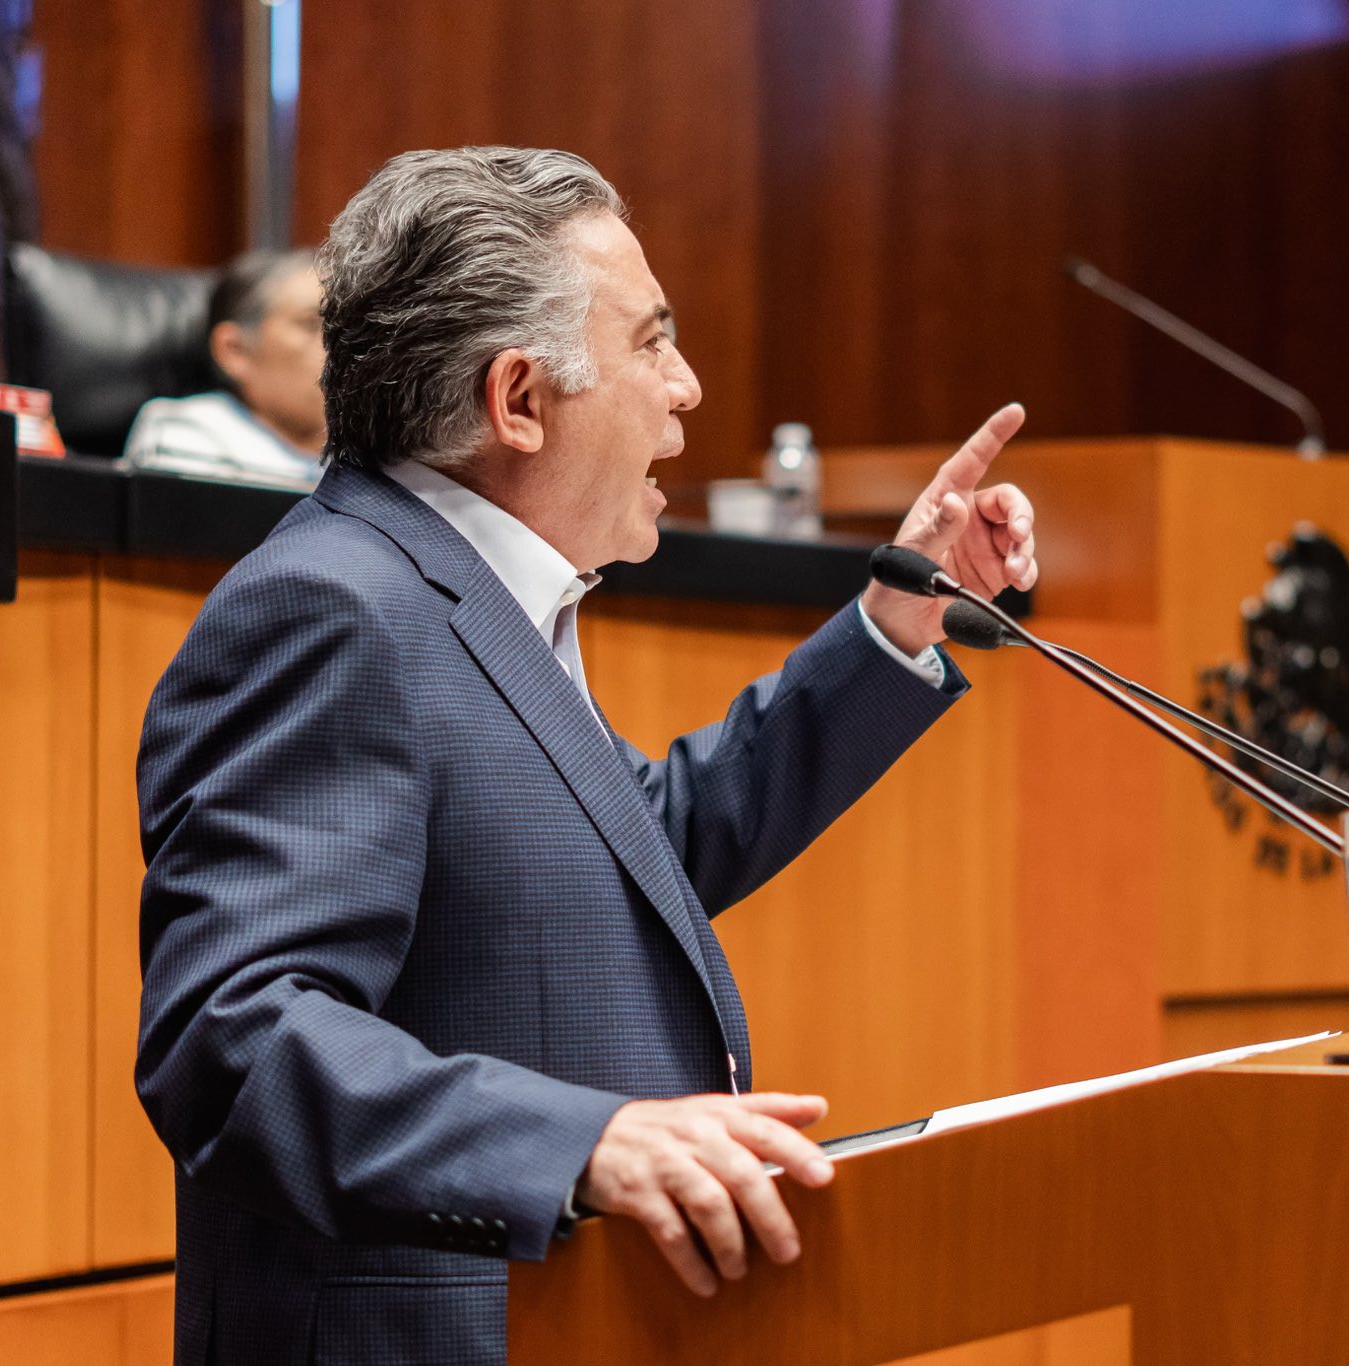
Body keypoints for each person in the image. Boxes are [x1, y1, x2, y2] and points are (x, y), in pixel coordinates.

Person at [132, 147, 1039, 1365]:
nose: (688, 388)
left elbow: (637, 842)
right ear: (519, 398)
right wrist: (582, 1144)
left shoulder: (466, 595)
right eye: (652, 343)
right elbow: (230, 1037)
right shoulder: (333, 608)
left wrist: (895, 621)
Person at [121, 249, 327, 488]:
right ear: (235, 350)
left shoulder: (364, 449)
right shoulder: (187, 438)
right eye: (312, 324)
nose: (342, 343)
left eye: (345, 324)